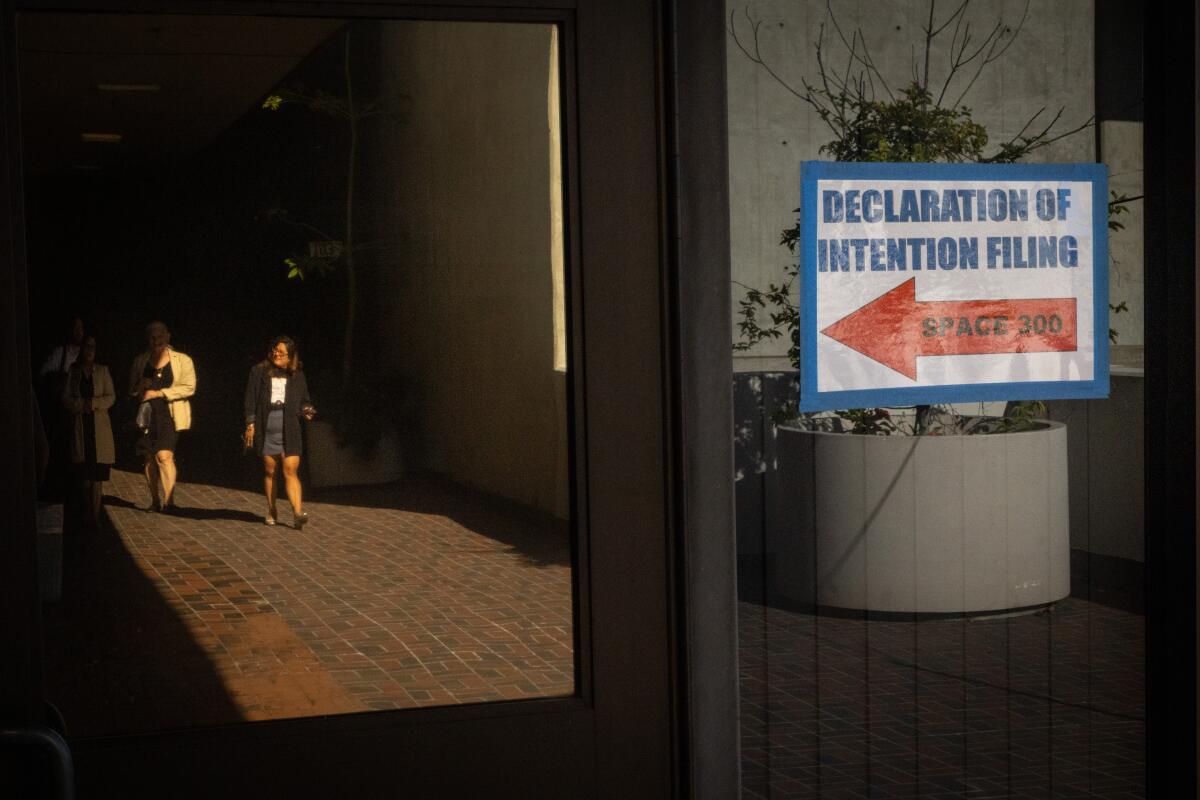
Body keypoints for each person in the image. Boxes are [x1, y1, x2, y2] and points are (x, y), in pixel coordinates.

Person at [243, 335, 315, 529]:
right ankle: (272, 509)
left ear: (290, 356)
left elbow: (304, 400)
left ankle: (297, 513)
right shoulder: (258, 372)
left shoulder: (297, 375)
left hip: (290, 426)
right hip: (268, 424)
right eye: (275, 350)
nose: (276, 354)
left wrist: (307, 410)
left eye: (281, 352)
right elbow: (250, 399)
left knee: (290, 469)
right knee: (270, 471)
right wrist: (250, 424)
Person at [129, 321, 196, 512]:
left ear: (167, 336)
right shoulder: (141, 361)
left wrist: (159, 393)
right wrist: (140, 387)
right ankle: (155, 501)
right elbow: (132, 391)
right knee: (149, 457)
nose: (155, 341)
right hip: (148, 415)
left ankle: (169, 502)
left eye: (159, 336)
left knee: (164, 455)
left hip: (170, 414)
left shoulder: (182, 360)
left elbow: (189, 387)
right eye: (151, 337)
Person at [62, 335, 115, 528]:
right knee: (84, 477)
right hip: (81, 426)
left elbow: (111, 397)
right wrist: (80, 405)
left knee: (97, 478)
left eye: (92, 347)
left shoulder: (102, 371)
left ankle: (95, 516)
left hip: (98, 427)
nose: (89, 350)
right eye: (87, 347)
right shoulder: (74, 371)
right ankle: (86, 513)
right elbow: (66, 398)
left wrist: (92, 404)